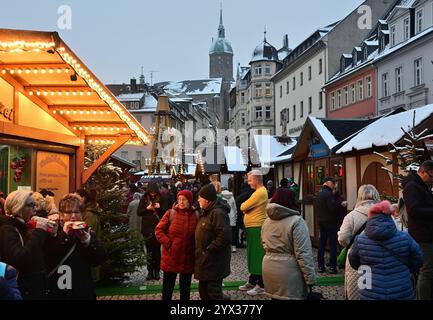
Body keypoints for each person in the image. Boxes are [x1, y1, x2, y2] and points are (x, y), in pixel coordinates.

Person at [348, 200, 423, 300]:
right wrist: (405, 269)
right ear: (389, 217)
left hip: (370, 291)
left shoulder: (360, 240)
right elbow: (419, 259)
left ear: (370, 218)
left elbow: (353, 262)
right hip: (401, 290)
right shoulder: (405, 237)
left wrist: (366, 268)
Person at [43, 194, 107, 300]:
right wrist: (64, 236)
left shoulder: (87, 232)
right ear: (61, 215)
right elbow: (48, 259)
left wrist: (87, 241)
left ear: (82, 214)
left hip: (82, 291)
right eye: (68, 212)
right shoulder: (54, 233)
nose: (73, 216)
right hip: (59, 291)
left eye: (76, 212)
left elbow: (100, 258)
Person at [0, 190, 52, 299]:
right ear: (18, 207)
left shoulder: (24, 226)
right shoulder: (8, 229)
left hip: (32, 289)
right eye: (31, 205)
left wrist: (54, 233)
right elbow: (20, 258)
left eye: (35, 204)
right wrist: (39, 231)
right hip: (23, 291)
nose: (35, 208)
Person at [262, 203, 316, 300]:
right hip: (290, 272)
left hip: (269, 268)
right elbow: (303, 253)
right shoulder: (297, 221)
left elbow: (263, 244)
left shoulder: (266, 221)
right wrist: (310, 279)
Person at [338, 184, 380, 300]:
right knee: (376, 291)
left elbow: (342, 239)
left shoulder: (351, 216)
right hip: (379, 257)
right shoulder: (384, 215)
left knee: (358, 291)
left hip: (357, 259)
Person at [155, 190, 199, 300]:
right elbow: (158, 230)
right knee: (168, 289)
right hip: (171, 256)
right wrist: (168, 244)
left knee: (185, 289)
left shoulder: (196, 215)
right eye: (179, 199)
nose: (181, 202)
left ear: (190, 201)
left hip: (187, 257)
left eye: (184, 199)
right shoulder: (171, 213)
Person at [402, 160, 433, 300]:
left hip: (426, 233)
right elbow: (414, 210)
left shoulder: (421, 185)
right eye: (431, 176)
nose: (432, 180)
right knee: (426, 270)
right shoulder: (413, 186)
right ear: (422, 172)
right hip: (422, 235)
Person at [195, 184, 231, 300]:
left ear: (207, 199)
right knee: (204, 291)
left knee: (213, 293)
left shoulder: (218, 213)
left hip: (213, 261)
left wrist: (208, 250)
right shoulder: (206, 211)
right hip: (206, 261)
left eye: (200, 197)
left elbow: (224, 237)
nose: (198, 199)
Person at [239, 170, 268, 296]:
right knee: (254, 256)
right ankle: (253, 281)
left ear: (257, 179)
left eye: (250, 180)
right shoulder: (259, 192)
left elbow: (243, 206)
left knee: (257, 256)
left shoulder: (260, 192)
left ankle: (260, 285)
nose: (248, 182)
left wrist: (247, 210)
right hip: (254, 228)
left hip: (257, 228)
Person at [137, 182, 164, 280]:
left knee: (157, 251)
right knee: (149, 251)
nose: (152, 194)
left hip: (158, 230)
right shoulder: (143, 200)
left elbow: (166, 212)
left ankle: (157, 271)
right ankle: (150, 271)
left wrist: (159, 207)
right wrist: (147, 209)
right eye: (151, 192)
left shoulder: (161, 199)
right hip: (147, 230)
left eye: (154, 192)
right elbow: (139, 212)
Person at [315, 177, 339, 274]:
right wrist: (340, 204)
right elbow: (332, 208)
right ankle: (332, 267)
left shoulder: (319, 193)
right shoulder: (329, 194)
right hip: (330, 222)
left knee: (321, 244)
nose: (334, 185)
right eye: (333, 183)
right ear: (328, 183)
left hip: (321, 221)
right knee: (333, 244)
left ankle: (321, 266)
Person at [235, 181, 254, 248]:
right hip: (244, 213)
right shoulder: (250, 194)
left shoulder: (241, 194)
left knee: (239, 228)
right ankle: (245, 240)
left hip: (238, 213)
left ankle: (238, 242)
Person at [221, 187, 238, 253]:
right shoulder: (232, 197)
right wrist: (236, 217)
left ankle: (225, 247)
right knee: (233, 232)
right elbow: (235, 208)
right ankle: (234, 247)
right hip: (232, 215)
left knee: (224, 232)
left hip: (224, 215)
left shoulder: (221, 197)